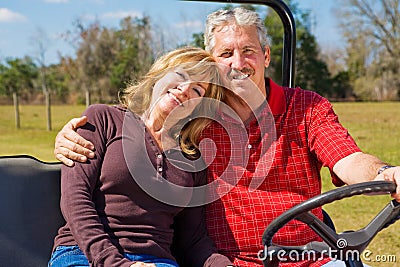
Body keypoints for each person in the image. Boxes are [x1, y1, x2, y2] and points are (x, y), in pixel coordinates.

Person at [54, 7, 400, 267]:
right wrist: (71, 134)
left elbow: (348, 158)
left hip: (311, 255)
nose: (239, 62)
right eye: (225, 53)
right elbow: (131, 141)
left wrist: (386, 173)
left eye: (249, 50)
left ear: (265, 55)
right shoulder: (197, 123)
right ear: (213, 62)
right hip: (234, 261)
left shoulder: (305, 107)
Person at [48, 46, 234, 267]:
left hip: (157, 261)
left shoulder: (193, 160)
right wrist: (114, 263)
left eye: (197, 91)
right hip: (83, 254)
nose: (185, 90)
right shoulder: (103, 119)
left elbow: (194, 240)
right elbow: (75, 199)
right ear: (161, 73)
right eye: (181, 76)